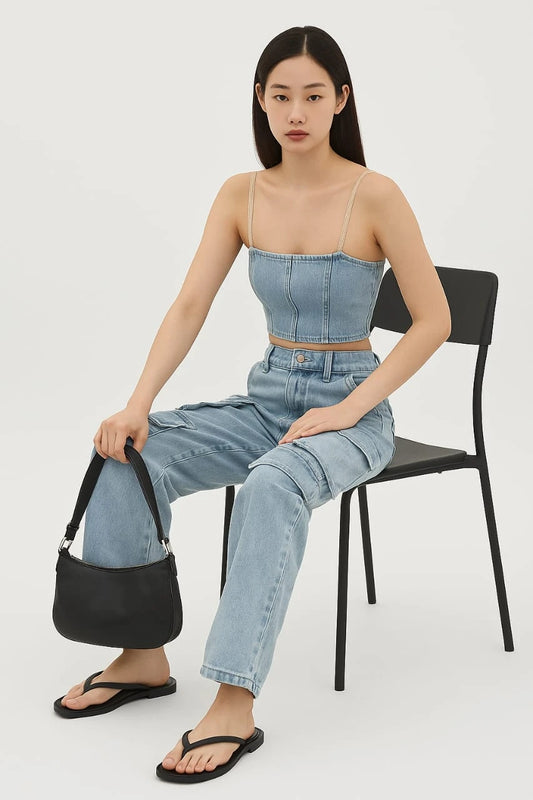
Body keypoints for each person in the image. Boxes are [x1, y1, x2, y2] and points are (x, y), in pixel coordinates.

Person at [53, 25, 451, 783]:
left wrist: (345, 411)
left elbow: (433, 321)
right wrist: (137, 403)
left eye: (311, 95)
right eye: (279, 96)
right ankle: (141, 655)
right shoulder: (241, 193)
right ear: (260, 104)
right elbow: (190, 304)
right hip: (268, 401)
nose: (294, 112)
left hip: (352, 412)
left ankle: (234, 699)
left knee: (273, 481)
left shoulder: (376, 195)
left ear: (339, 100)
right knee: (125, 451)